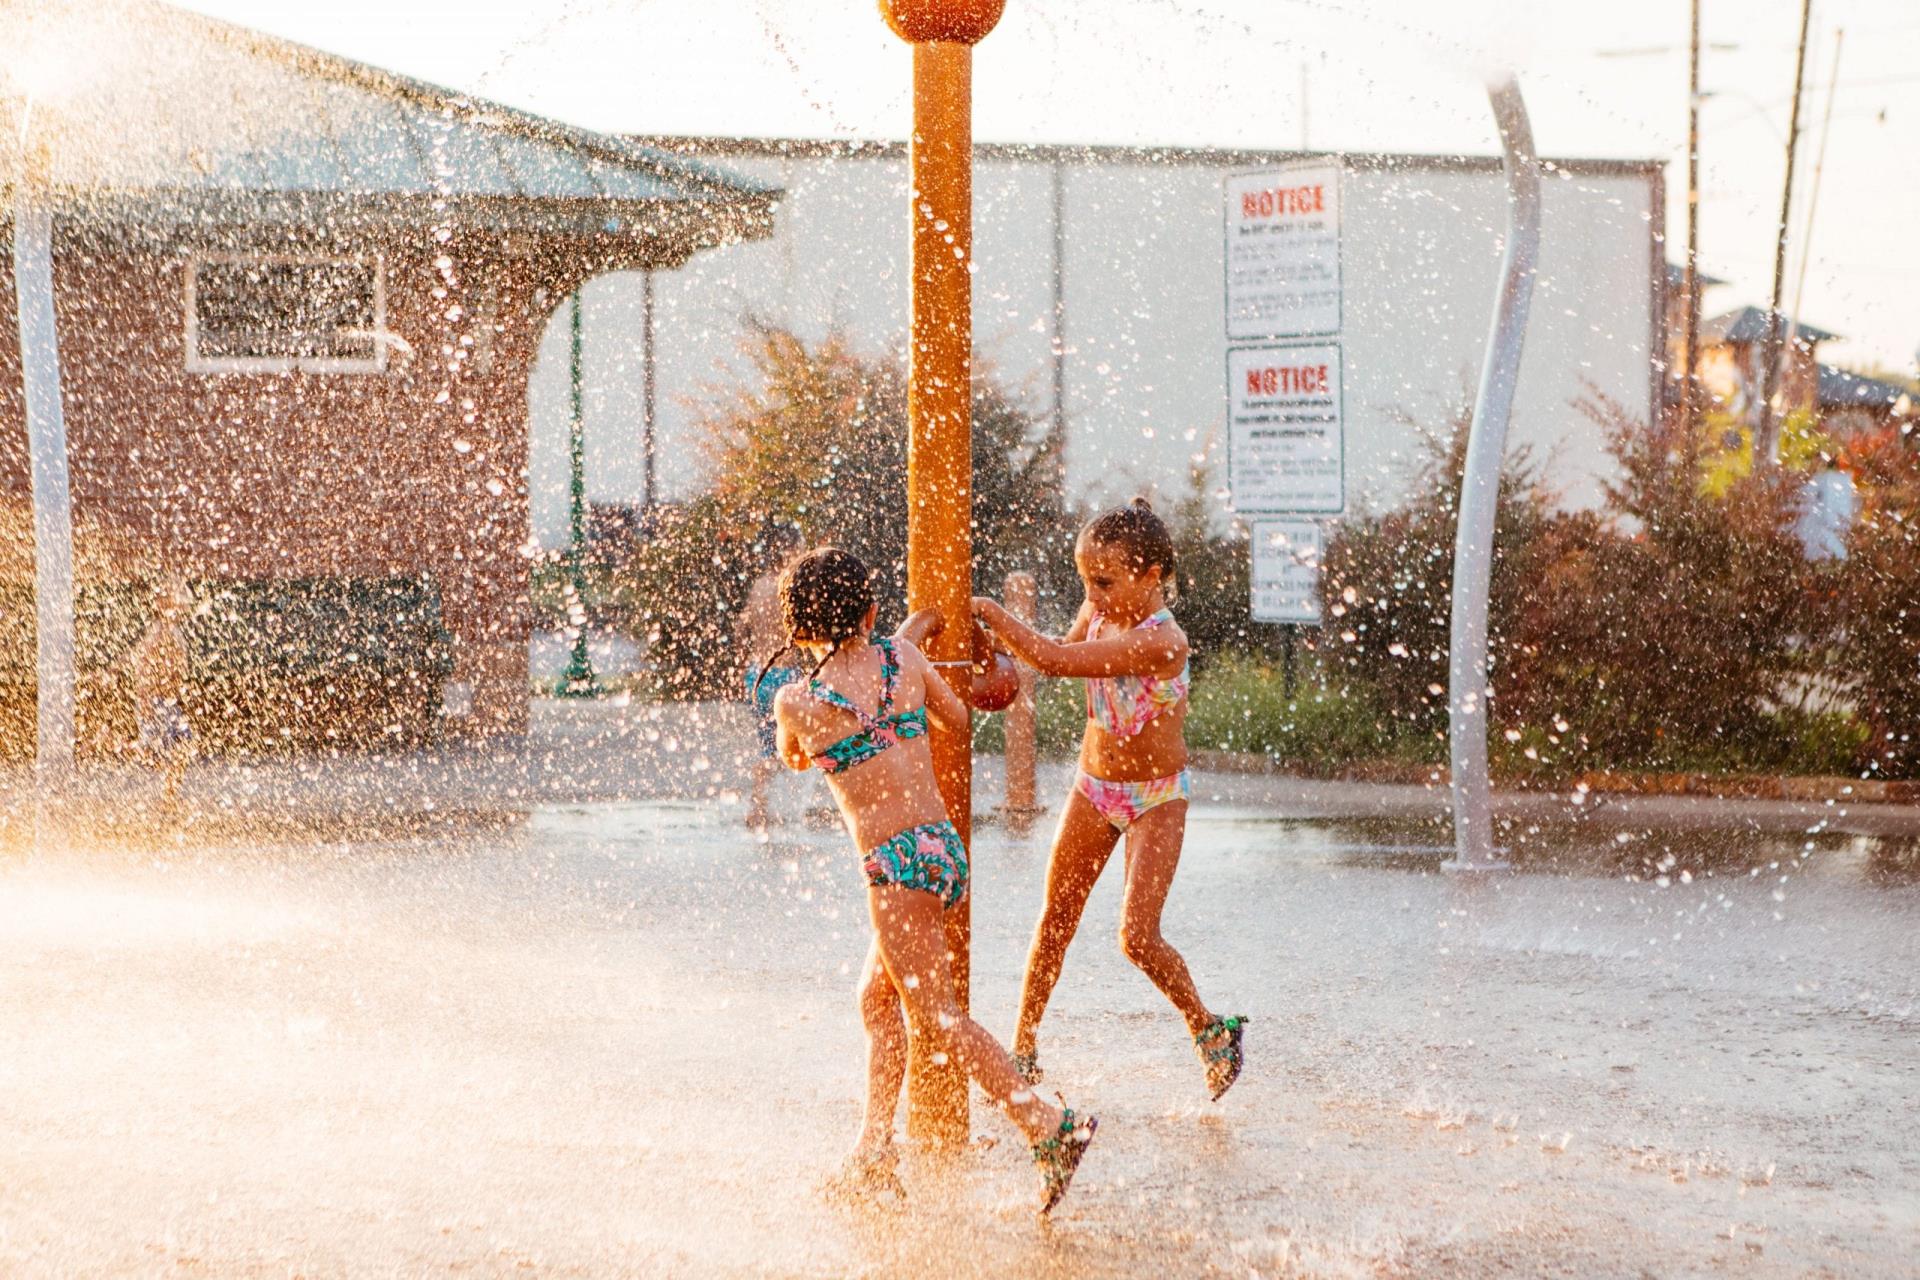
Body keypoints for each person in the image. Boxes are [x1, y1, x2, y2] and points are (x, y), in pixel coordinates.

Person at [757, 547, 1098, 1214]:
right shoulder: (904, 661)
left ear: (796, 628)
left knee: (940, 1017)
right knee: (877, 1003)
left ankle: (1047, 1127)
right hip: (941, 852)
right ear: (873, 612)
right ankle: (874, 1151)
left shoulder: (797, 701)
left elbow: (795, 762)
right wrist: (905, 643)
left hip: (892, 869)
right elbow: (959, 719)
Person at [971, 498, 1246, 1101]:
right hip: (1094, 788)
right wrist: (985, 664)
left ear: (1151, 577)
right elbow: (1037, 662)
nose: (1091, 597)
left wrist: (990, 612)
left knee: (1136, 938)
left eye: (1102, 581)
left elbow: (1056, 659)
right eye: (1083, 581)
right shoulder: (1100, 611)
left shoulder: (1163, 640)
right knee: (1055, 919)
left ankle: (1209, 1028)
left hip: (1155, 797)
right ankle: (1024, 1049)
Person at [739, 523, 804, 828]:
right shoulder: (788, 587)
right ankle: (779, 810)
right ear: (786, 550)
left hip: (756, 675)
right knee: (788, 746)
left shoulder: (758, 586)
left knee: (767, 743)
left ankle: (761, 806)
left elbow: (742, 629)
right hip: (782, 677)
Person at [128, 577, 194, 808]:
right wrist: (145, 700)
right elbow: (143, 669)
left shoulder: (170, 630)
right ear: (163, 603)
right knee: (157, 754)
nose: (184, 603)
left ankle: (169, 796)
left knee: (180, 748)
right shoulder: (159, 633)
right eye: (178, 599)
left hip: (167, 702)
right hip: (156, 701)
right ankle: (108, 741)